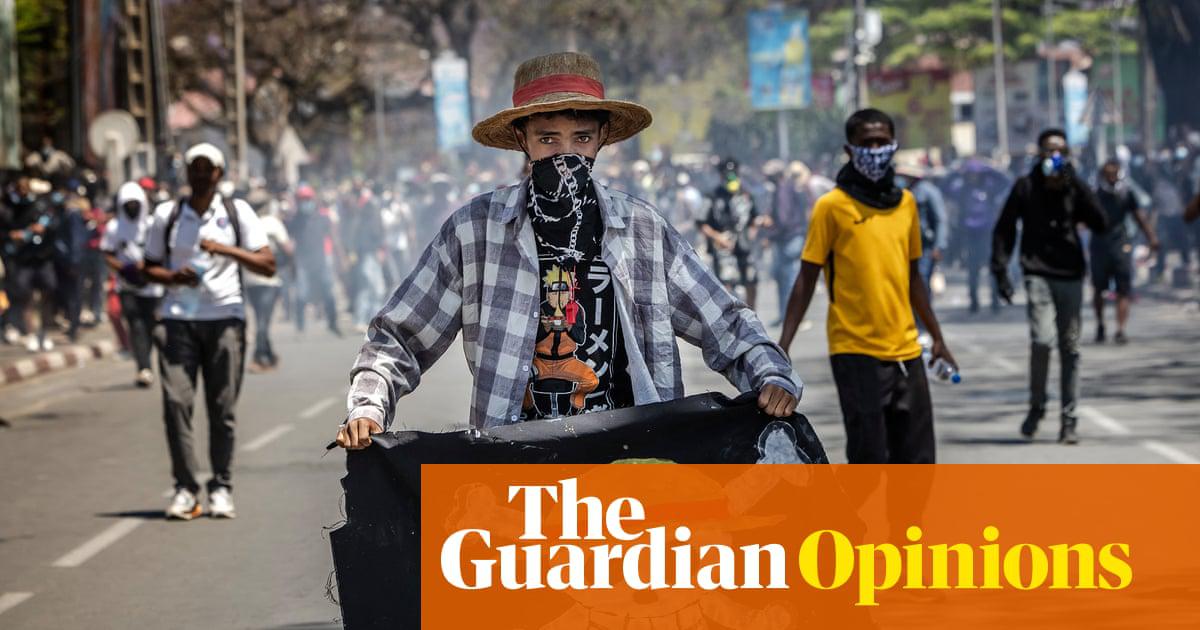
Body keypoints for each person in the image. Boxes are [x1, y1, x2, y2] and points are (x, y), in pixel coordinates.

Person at [336, 51, 799, 449]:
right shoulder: (475, 231)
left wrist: (770, 376)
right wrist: (369, 408)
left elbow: (724, 322)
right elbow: (400, 336)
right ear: (523, 140)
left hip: (635, 455)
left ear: (601, 140)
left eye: (580, 139)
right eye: (548, 139)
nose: (565, 154)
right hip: (519, 461)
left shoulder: (641, 229)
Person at [778, 108, 957, 465]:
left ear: (893, 145)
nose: (875, 149)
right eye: (867, 143)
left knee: (918, 460)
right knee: (870, 457)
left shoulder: (905, 203)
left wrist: (937, 338)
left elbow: (912, 278)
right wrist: (781, 347)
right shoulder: (831, 207)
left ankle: (906, 525)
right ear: (850, 149)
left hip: (906, 351)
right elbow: (806, 279)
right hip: (855, 350)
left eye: (882, 142)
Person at [141, 143, 276, 520]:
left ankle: (221, 486)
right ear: (186, 173)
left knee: (222, 410)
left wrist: (224, 248)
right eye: (194, 168)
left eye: (208, 168)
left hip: (225, 319)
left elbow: (267, 263)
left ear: (219, 173)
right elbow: (147, 266)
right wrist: (172, 276)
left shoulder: (237, 212)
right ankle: (186, 488)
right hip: (177, 320)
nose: (200, 174)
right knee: (176, 405)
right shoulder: (166, 215)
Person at [991, 129, 1108, 445]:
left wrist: (1076, 183)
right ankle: (1037, 406)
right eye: (1048, 151)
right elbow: (1004, 229)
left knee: (1071, 348)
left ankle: (1069, 420)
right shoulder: (1026, 187)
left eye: (1060, 151)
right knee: (1042, 341)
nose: (1053, 157)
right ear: (1038, 154)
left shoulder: (1074, 188)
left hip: (1070, 274)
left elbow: (1100, 222)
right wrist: (1001, 270)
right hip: (1037, 273)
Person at [100, 181, 164, 387]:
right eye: (128, 204)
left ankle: (146, 361)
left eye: (135, 204)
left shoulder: (153, 225)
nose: (132, 208)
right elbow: (107, 254)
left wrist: (147, 267)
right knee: (135, 325)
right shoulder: (114, 228)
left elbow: (164, 252)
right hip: (127, 285)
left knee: (150, 328)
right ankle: (143, 368)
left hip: (152, 286)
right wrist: (123, 268)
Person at [1089, 159, 1159, 345]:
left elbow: (1139, 217)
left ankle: (1120, 329)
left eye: (1114, 174)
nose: (1111, 178)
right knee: (1099, 289)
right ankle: (1100, 324)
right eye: (1108, 175)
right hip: (1099, 246)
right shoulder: (1094, 195)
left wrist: (1152, 238)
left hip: (1120, 244)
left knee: (1123, 289)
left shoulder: (1126, 193)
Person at [698, 157, 770, 310]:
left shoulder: (746, 194)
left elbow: (754, 218)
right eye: (727, 174)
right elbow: (701, 223)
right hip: (723, 249)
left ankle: (752, 315)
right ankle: (729, 320)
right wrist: (718, 237)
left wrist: (754, 230)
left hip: (745, 246)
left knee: (752, 280)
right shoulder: (712, 196)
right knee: (727, 284)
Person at [0, 175, 58, 352]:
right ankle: (30, 333)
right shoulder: (10, 209)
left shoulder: (42, 207)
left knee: (48, 293)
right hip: (22, 260)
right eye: (21, 190)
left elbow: (54, 226)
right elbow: (4, 232)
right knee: (26, 297)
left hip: (43, 258)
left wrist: (44, 229)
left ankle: (44, 333)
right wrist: (13, 236)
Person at [242, 188, 291, 372]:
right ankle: (258, 357)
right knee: (263, 320)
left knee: (260, 317)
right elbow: (287, 248)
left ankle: (268, 355)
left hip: (250, 279)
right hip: (269, 279)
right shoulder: (272, 223)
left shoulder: (246, 225)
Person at [286, 185, 342, 336]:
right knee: (301, 295)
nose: (306, 203)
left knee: (328, 293)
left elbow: (334, 238)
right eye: (302, 200)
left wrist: (341, 258)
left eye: (308, 199)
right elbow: (288, 241)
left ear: (313, 200)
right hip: (302, 263)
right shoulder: (294, 221)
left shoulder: (323, 219)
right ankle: (300, 327)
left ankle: (333, 323)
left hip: (321, 262)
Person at [895, 165, 948, 301]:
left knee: (921, 282)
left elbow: (940, 219)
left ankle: (923, 319)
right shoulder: (901, 191)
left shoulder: (928, 192)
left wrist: (939, 246)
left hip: (924, 246)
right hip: (903, 246)